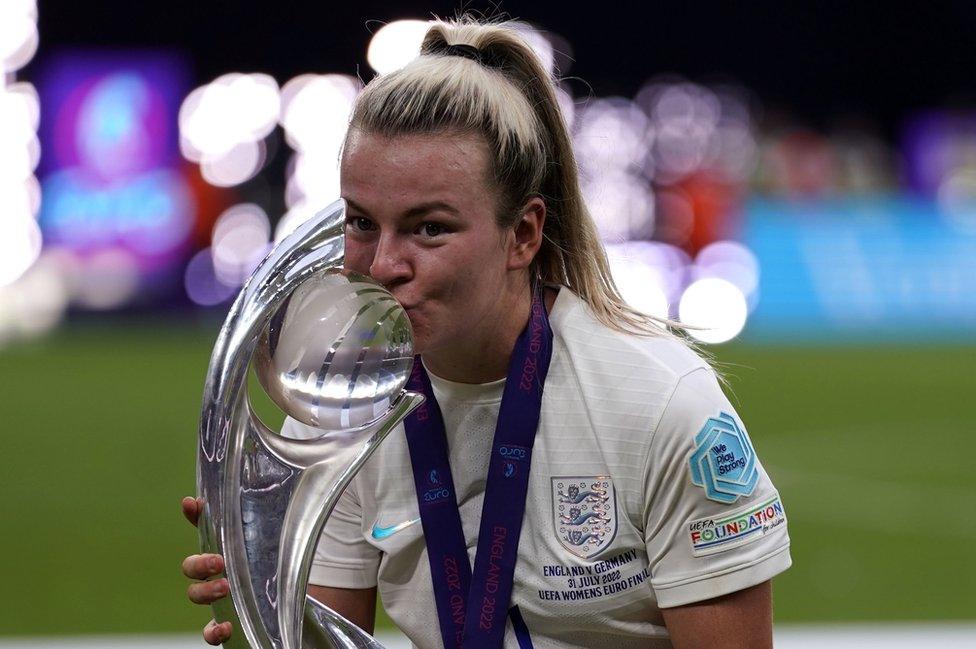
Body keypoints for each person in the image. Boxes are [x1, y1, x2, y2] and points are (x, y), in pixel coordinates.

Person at [182, 17, 791, 648]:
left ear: (523, 235)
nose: (385, 265)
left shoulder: (662, 407)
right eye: (362, 223)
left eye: (430, 229)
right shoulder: (333, 405)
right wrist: (267, 597)